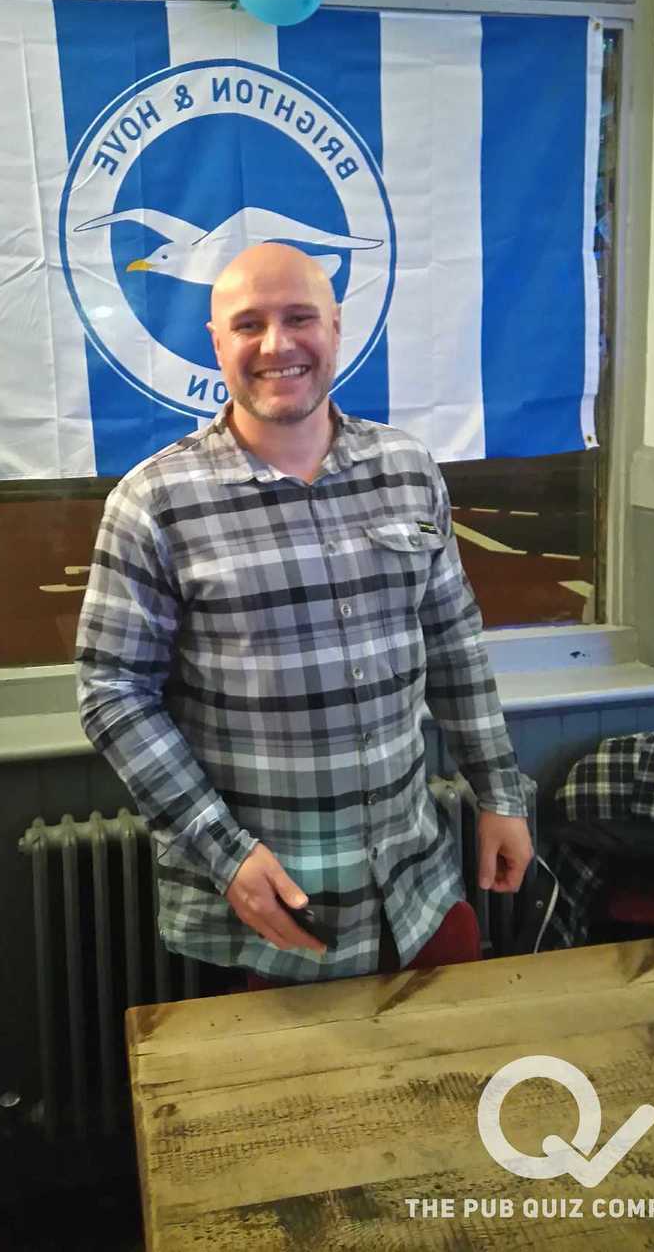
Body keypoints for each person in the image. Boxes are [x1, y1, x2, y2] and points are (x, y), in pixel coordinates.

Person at [76, 242, 533, 985]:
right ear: (216, 343)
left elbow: (454, 644)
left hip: (416, 887)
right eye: (248, 324)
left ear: (337, 328)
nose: (276, 344)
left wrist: (500, 795)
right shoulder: (153, 502)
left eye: (299, 318)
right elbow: (112, 693)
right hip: (262, 917)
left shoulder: (408, 470)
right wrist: (222, 852)